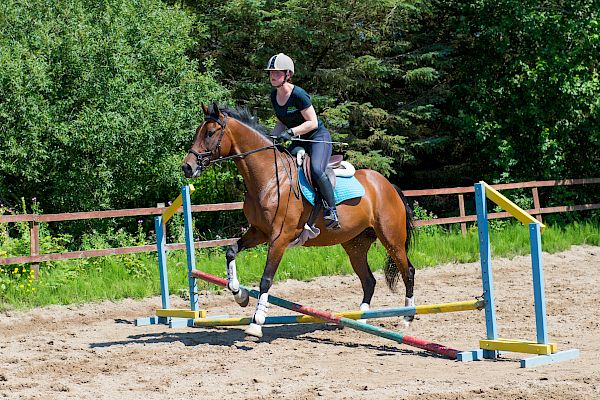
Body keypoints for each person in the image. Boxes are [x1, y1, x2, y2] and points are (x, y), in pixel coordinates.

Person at [265, 53, 340, 229]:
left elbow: (312, 122)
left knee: (315, 169)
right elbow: (281, 120)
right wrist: (271, 140)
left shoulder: (298, 94)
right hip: (299, 140)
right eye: (271, 73)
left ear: (288, 74)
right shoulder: (273, 96)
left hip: (317, 138)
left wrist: (290, 133)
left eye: (277, 73)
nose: (273, 76)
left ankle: (332, 210)